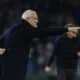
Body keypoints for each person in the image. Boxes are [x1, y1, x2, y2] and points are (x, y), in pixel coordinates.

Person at [1, 9, 76, 80]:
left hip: (7, 65)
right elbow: (45, 31)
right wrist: (66, 29)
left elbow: (2, 39)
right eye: (35, 18)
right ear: (28, 19)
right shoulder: (26, 29)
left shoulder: (14, 28)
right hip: (16, 66)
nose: (37, 21)